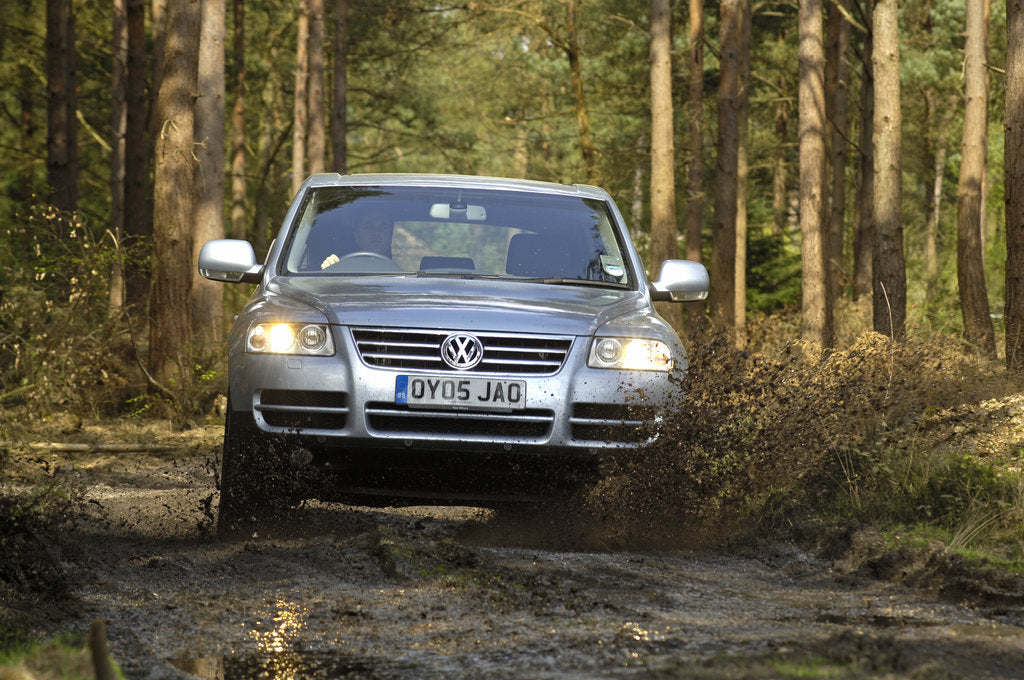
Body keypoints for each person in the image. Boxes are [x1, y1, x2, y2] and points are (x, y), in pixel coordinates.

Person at [320, 209, 394, 269]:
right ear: (357, 236)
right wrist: (329, 270)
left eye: (384, 228)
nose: (376, 233)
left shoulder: (403, 277)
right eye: (368, 227)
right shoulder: (342, 270)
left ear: (390, 237)